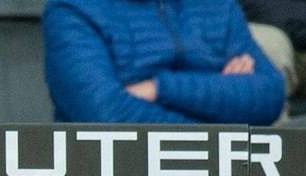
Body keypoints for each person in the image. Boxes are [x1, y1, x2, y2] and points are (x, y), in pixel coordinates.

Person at [43, 0, 285, 125]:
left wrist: (158, 89)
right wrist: (224, 114)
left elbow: (269, 94)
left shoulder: (215, 5)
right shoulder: (71, 9)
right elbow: (106, 118)